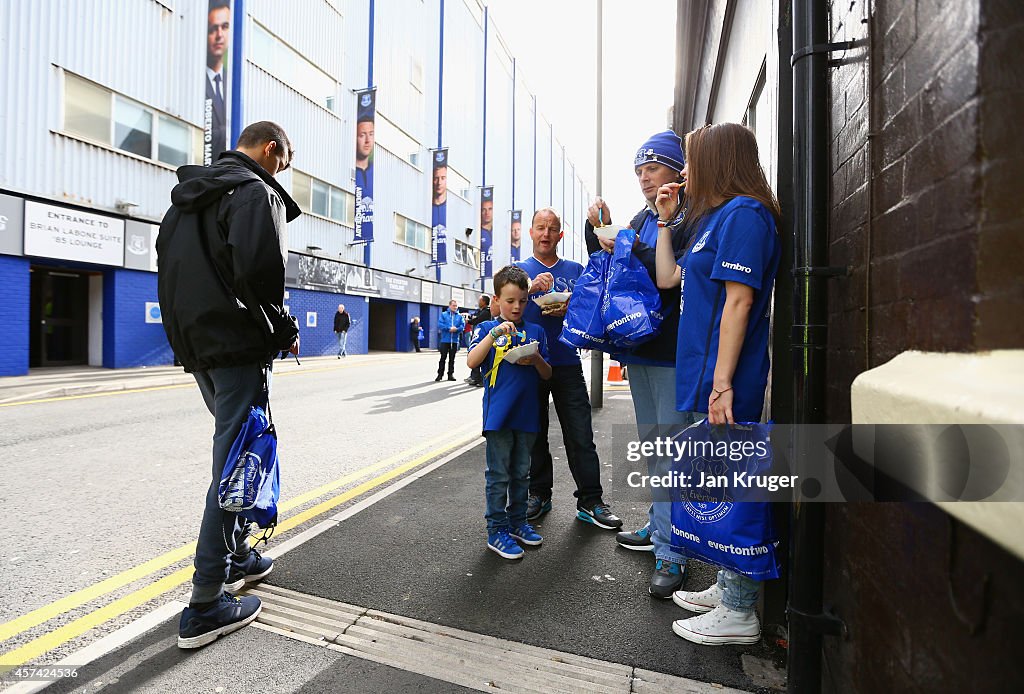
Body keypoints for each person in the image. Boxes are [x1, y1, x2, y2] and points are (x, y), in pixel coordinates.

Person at [157, 121, 299, 649]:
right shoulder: (254, 191)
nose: (281, 170)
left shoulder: (184, 203)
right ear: (270, 150)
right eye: (283, 162)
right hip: (238, 346)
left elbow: (168, 278)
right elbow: (260, 275)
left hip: (200, 349)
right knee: (237, 463)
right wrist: (283, 330)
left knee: (239, 455)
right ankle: (205, 601)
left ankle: (240, 555)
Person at [653, 122, 781, 645]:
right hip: (705, 375)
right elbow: (671, 280)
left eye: (691, 159)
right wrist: (665, 221)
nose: (684, 171)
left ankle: (739, 611)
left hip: (726, 380)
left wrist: (724, 382)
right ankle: (729, 589)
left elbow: (740, 300)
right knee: (718, 484)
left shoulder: (746, 215)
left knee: (734, 487)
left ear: (719, 159)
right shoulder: (714, 218)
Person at [585, 130, 694, 599]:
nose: (645, 177)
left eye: (653, 167)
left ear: (677, 169)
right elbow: (616, 268)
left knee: (672, 451)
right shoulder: (642, 217)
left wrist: (627, 244)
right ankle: (658, 526)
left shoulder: (686, 214)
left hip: (672, 351)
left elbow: (672, 275)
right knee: (654, 449)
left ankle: (674, 551)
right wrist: (603, 232)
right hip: (643, 349)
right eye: (639, 171)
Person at [516, 208, 622, 531]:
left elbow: (593, 302)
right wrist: (529, 289)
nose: (546, 234)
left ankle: (590, 500)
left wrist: (572, 303)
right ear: (531, 233)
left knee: (580, 434)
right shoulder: (518, 271)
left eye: (552, 229)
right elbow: (498, 307)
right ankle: (539, 493)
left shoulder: (575, 269)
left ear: (561, 235)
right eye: (540, 228)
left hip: (567, 363)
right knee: (533, 435)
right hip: (529, 364)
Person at [466, 266, 552, 559]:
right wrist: (493, 333)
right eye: (510, 301)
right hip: (499, 417)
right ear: (497, 300)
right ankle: (496, 530)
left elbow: (547, 373)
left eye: (523, 301)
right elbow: (471, 361)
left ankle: (518, 523)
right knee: (499, 475)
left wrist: (537, 358)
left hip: (528, 415)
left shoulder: (536, 331)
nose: (517, 307)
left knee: (521, 474)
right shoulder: (486, 329)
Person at [205, 0, 231, 161]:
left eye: (225, 27)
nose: (219, 35)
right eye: (213, 29)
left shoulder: (231, 84)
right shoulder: (198, 84)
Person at [465, 295, 491, 386]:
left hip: (484, 338)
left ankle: (479, 379)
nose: (478, 302)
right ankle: (474, 377)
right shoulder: (480, 311)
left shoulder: (487, 312)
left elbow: (477, 320)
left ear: (484, 301)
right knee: (474, 355)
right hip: (478, 337)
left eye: (480, 300)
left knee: (481, 358)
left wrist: (469, 321)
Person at [435, 299, 465, 381]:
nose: (455, 307)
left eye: (456, 305)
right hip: (445, 340)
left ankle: (450, 375)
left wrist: (457, 329)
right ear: (449, 306)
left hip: (454, 341)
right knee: (443, 358)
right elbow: (440, 324)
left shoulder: (459, 316)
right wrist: (449, 328)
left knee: (452, 359)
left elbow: (462, 326)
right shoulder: (444, 315)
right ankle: (440, 375)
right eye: (453, 305)